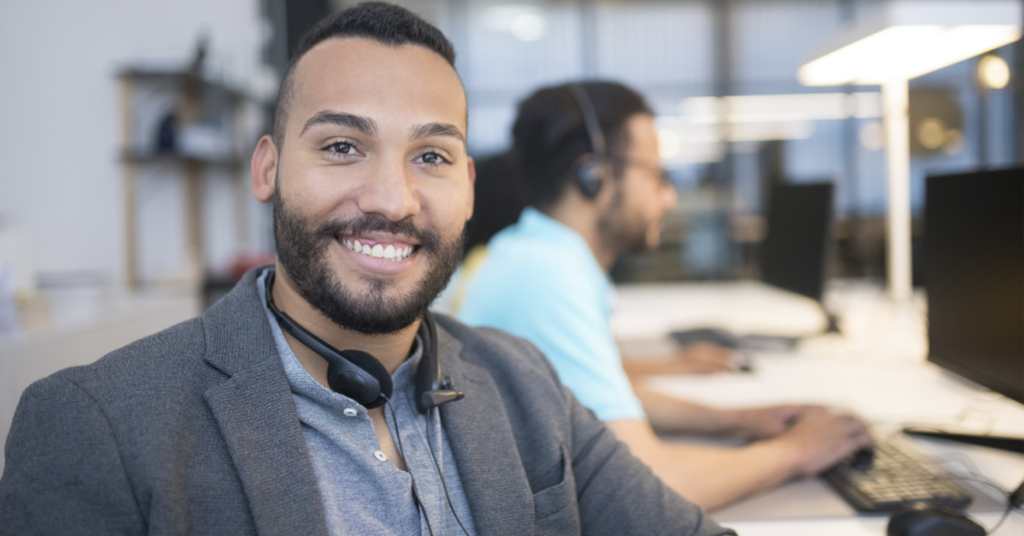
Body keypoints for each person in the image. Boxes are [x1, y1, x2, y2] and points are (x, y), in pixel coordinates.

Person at [0, 4, 736, 535]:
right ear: (268, 168)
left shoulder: (524, 382)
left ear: (470, 186)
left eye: (431, 157)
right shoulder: (93, 427)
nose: (392, 199)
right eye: (343, 147)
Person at [456, 81, 873, 511]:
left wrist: (733, 421)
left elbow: (595, 397)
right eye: (657, 174)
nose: (669, 196)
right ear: (593, 175)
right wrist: (797, 452)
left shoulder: (536, 251)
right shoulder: (548, 275)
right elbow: (646, 489)